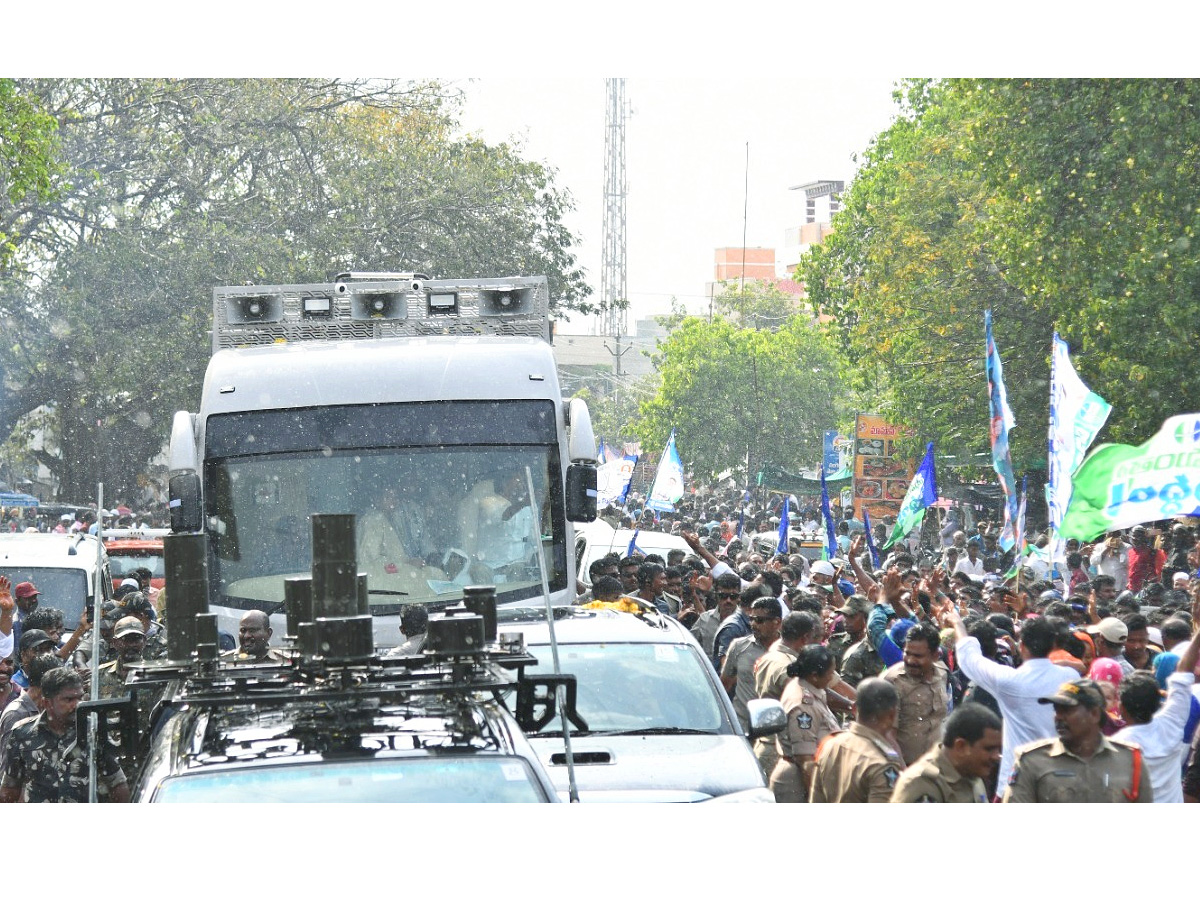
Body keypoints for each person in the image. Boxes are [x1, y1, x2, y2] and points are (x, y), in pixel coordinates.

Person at [944, 604, 1076, 796]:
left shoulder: (1011, 682)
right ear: (1053, 645)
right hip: (1061, 780)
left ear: (1021, 646)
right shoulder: (1070, 676)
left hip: (1017, 785)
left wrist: (957, 623)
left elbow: (970, 659)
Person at [1003, 679, 1152, 803]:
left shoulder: (1130, 759)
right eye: (1057, 710)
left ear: (1094, 714)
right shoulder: (1032, 761)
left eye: (1067, 710)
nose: (1058, 717)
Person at [0, 667, 130, 803]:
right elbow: (10, 790)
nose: (77, 705)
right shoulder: (22, 734)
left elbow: (117, 784)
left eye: (80, 697)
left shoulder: (94, 731)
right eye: (68, 699)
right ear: (47, 703)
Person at [1113, 631, 1198, 803]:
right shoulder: (1172, 722)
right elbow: (1183, 673)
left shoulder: (1117, 745)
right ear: (1159, 699)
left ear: (1121, 707)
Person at [809, 677, 904, 803]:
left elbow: (815, 800)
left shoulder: (829, 745)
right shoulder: (882, 764)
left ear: (854, 709)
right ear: (892, 715)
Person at [770, 644, 842, 802]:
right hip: (797, 785)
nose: (832, 678)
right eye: (830, 673)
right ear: (815, 675)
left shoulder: (810, 687)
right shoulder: (803, 705)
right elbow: (805, 761)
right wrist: (816, 798)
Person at [890, 702, 1002, 803]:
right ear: (961, 746)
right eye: (989, 749)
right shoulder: (921, 783)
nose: (997, 757)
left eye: (999, 749)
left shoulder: (972, 775)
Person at [882, 621, 951, 766]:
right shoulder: (893, 682)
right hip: (906, 769)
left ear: (935, 656)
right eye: (907, 653)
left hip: (938, 767)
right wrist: (904, 774)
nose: (910, 660)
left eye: (918, 656)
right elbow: (887, 735)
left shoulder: (942, 674)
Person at [721, 597, 780, 735]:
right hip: (741, 730)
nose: (753, 624)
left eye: (759, 620)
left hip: (774, 733)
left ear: (777, 622)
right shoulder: (739, 646)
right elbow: (725, 685)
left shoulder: (787, 651)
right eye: (751, 619)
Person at [691, 573, 740, 657]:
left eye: (733, 596)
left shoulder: (747, 621)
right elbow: (691, 646)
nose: (728, 600)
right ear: (716, 595)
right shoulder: (704, 619)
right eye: (723, 596)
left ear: (739, 597)